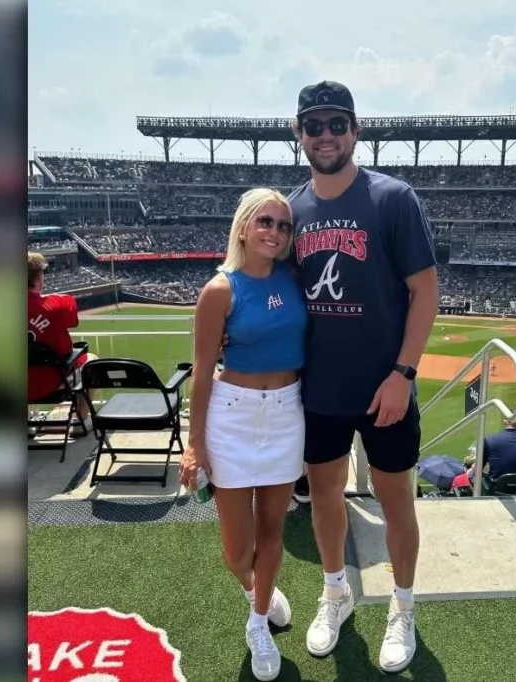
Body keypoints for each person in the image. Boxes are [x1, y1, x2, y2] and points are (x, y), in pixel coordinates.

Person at [287, 81, 438, 673]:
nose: (326, 135)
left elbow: (425, 293)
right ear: (298, 133)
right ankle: (335, 593)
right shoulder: (292, 208)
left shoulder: (393, 198)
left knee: (397, 499)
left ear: (356, 130)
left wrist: (404, 372)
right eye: (314, 125)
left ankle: (403, 606)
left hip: (386, 390)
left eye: (336, 123)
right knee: (324, 498)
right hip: (321, 389)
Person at [178, 188, 306, 681]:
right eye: (266, 222)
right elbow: (203, 371)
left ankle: (257, 623)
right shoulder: (219, 290)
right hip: (232, 416)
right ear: (244, 228)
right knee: (237, 550)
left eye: (283, 225)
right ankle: (258, 592)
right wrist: (196, 442)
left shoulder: (296, 279)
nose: (275, 232)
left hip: (286, 412)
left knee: (273, 531)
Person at [27, 252, 97, 430]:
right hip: (53, 381)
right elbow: (72, 319)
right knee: (91, 361)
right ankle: (81, 420)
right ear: (40, 276)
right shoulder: (57, 304)